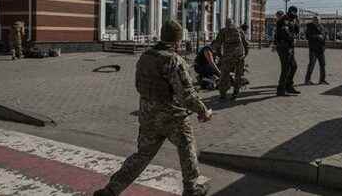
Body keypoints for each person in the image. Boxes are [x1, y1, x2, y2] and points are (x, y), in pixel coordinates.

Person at [94, 20, 212, 196]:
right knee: (187, 148)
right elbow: (186, 95)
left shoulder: (146, 56)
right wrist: (203, 111)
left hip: (148, 115)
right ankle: (192, 189)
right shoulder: (174, 60)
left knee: (142, 156)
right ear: (176, 40)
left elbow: (138, 84)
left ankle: (110, 190)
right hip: (173, 117)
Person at [213, 18, 249, 100]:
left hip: (227, 57)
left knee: (224, 75)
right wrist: (245, 54)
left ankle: (223, 94)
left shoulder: (223, 31)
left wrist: (220, 56)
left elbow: (217, 45)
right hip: (239, 57)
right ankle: (235, 93)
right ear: (233, 23)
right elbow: (246, 44)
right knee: (238, 75)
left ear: (226, 24)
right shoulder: (239, 31)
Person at [275, 6, 301, 96]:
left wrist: (297, 22)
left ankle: (289, 86)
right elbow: (284, 32)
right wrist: (292, 38)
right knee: (286, 68)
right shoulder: (283, 20)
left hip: (290, 46)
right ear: (290, 12)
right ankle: (280, 89)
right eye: (293, 13)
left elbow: (297, 31)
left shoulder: (292, 20)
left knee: (293, 66)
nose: (294, 15)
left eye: (295, 13)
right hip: (283, 46)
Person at [305, 16, 329, 85]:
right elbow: (308, 36)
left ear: (320, 20)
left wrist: (325, 36)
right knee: (311, 64)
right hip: (313, 49)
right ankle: (307, 80)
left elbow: (325, 34)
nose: (317, 21)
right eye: (315, 20)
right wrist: (317, 36)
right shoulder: (309, 27)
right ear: (312, 21)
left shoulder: (322, 27)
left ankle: (322, 80)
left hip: (321, 49)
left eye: (318, 20)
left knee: (323, 64)